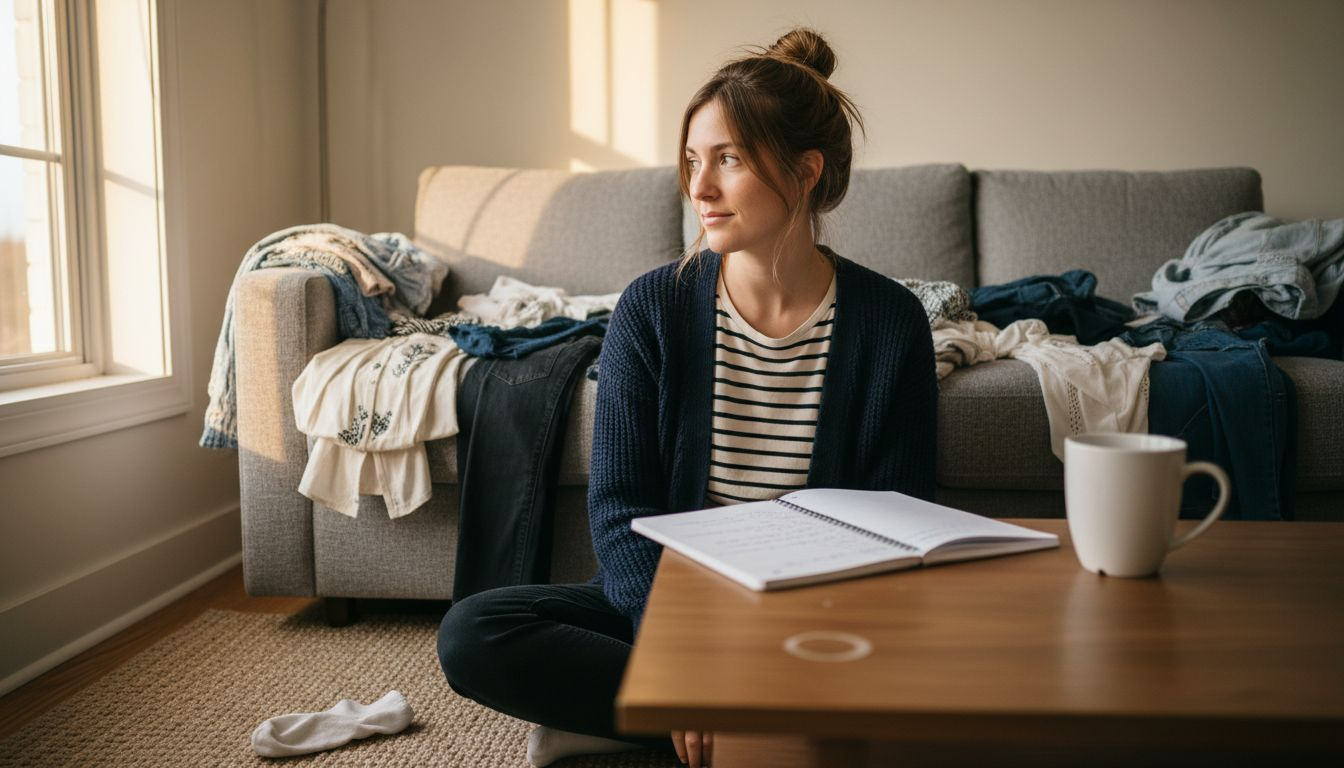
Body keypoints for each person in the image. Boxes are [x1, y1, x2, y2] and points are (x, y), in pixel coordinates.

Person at [437, 27, 936, 768]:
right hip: (674, 607)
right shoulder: (652, 308)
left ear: (806, 171)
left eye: (729, 160)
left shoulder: (889, 322)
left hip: (812, 622)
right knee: (474, 633)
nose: (699, 188)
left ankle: (678, 729)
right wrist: (686, 664)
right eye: (694, 161)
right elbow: (619, 512)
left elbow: (893, 519)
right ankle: (739, 723)